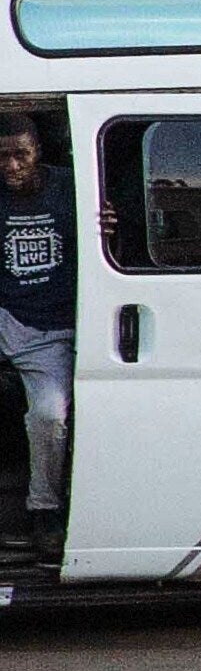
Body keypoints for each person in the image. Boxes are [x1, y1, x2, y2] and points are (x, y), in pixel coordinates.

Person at [0, 107, 68, 543]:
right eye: (2, 157)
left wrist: (111, 228)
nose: (11, 166)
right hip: (6, 313)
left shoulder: (70, 187)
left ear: (37, 151)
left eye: (20, 155)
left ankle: (44, 508)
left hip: (50, 329)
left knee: (48, 415)